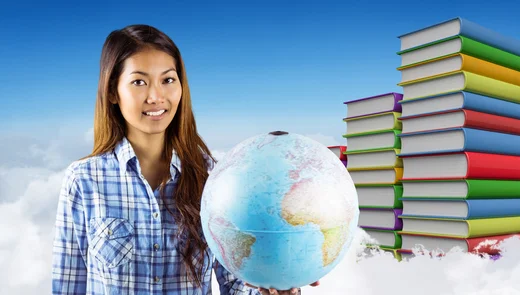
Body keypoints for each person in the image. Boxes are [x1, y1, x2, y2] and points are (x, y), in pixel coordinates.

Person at [51, 24, 319, 295]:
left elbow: (237, 285)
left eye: (168, 80)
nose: (156, 97)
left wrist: (280, 284)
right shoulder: (84, 180)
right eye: (139, 82)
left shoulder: (212, 176)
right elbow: (66, 288)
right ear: (112, 92)